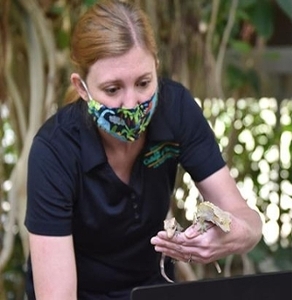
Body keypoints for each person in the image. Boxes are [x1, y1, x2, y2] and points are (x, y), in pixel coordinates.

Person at [24, 1, 262, 299]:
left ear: (156, 69)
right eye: (112, 89)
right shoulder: (55, 150)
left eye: (143, 83)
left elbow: (248, 219)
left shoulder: (176, 110)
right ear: (82, 88)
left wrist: (237, 234)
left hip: (152, 288)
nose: (131, 103)